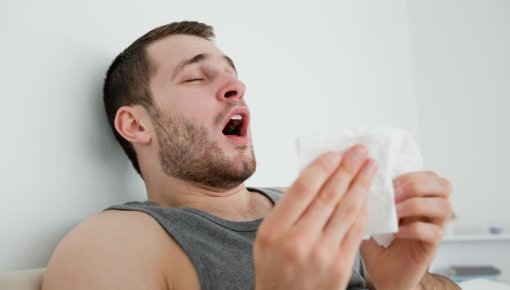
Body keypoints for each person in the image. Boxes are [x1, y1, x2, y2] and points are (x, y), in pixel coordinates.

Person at [42, 21, 459, 290]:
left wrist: (403, 284)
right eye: (195, 76)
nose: (235, 87)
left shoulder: (313, 207)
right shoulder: (115, 242)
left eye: (232, 74)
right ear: (136, 125)